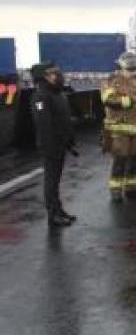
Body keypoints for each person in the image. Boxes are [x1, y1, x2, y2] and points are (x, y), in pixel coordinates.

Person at [31, 61, 76, 227]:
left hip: (60, 144)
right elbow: (44, 125)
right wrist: (50, 146)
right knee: (51, 181)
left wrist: (69, 139)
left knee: (56, 181)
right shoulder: (41, 96)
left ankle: (59, 210)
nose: (56, 75)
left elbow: (63, 120)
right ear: (43, 77)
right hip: (51, 146)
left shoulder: (57, 94)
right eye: (51, 73)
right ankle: (53, 214)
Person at [100, 51, 136, 201]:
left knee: (135, 158)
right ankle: (116, 190)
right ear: (120, 68)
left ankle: (132, 188)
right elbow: (109, 100)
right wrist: (131, 101)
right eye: (130, 70)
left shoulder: (135, 83)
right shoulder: (111, 81)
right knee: (120, 159)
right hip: (118, 129)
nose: (133, 73)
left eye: (135, 70)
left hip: (135, 128)